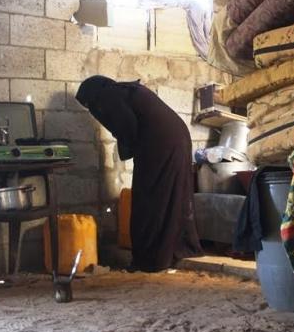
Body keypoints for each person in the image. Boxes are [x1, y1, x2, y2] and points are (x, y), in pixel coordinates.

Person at [75, 75, 203, 272]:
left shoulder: (109, 96)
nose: (92, 109)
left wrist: (128, 148)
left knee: (149, 199)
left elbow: (128, 129)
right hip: (175, 139)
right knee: (172, 195)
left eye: (89, 103)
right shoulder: (123, 91)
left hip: (161, 143)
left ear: (94, 94)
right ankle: (174, 249)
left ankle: (152, 257)